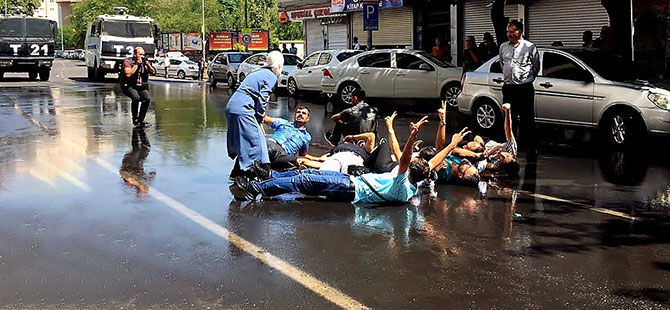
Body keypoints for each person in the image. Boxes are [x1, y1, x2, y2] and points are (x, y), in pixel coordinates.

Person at [232, 118, 471, 203]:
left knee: (304, 179)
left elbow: (406, 157)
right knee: (302, 175)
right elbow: (433, 160)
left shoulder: (404, 186)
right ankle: (269, 176)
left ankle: (255, 189)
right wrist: (452, 144)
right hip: (349, 180)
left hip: (349, 189)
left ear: (411, 171)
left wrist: (413, 135)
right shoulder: (416, 181)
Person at [225, 51, 284, 177]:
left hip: (233, 105)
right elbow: (263, 99)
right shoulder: (271, 76)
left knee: (245, 140)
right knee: (256, 142)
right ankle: (259, 172)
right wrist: (260, 117)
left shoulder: (257, 72)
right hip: (243, 108)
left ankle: (237, 173)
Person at [499, 20, 540, 148]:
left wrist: (526, 79)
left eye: (511, 32)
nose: (509, 34)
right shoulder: (503, 47)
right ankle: (510, 143)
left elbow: (536, 66)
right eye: (507, 32)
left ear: (520, 32)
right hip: (509, 87)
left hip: (524, 88)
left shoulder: (529, 47)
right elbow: (502, 63)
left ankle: (528, 145)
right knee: (509, 116)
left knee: (526, 117)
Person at [261, 106, 316, 170]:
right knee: (270, 149)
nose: (300, 114)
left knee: (298, 162)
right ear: (295, 115)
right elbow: (263, 118)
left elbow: (303, 154)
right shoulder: (283, 123)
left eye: (303, 113)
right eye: (298, 112)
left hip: (283, 155)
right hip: (272, 144)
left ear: (307, 118)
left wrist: (318, 159)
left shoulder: (306, 137)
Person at [120, 47, 155, 129]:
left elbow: (152, 71)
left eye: (143, 54)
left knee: (147, 99)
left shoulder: (144, 62)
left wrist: (147, 64)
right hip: (127, 85)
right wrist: (137, 65)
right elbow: (128, 73)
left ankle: (141, 119)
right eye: (140, 54)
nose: (142, 56)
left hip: (139, 85)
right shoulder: (127, 61)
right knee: (136, 98)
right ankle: (135, 119)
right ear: (135, 54)